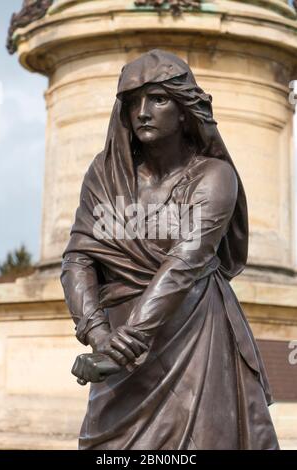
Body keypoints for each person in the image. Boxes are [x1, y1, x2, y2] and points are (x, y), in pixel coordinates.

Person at [60, 49, 279, 450]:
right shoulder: (103, 176)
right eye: (133, 102)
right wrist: (98, 334)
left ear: (183, 111)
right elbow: (79, 256)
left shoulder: (214, 176)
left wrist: (128, 342)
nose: (143, 111)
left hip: (195, 333)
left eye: (158, 99)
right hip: (118, 338)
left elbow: (186, 260)